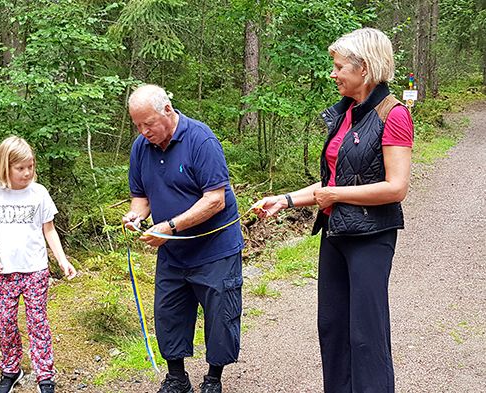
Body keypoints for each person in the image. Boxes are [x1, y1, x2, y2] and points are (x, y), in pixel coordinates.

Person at [254, 28, 413, 392]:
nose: (333, 73)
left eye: (340, 66)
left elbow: (396, 187)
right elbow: (330, 184)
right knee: (332, 327)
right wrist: (286, 199)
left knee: (366, 334)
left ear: (365, 68)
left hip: (371, 237)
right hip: (335, 233)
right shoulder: (345, 114)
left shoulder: (394, 114)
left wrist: (336, 195)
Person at [122, 84, 244, 393]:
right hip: (174, 253)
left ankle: (213, 379)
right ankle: (177, 378)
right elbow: (141, 198)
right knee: (169, 314)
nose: (143, 131)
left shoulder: (201, 140)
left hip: (215, 249)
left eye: (147, 123)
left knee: (220, 316)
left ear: (167, 110)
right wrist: (136, 217)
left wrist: (170, 227)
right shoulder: (141, 147)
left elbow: (215, 199)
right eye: (137, 124)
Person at [0, 136, 77, 393]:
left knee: (38, 322)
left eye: (30, 166)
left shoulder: (39, 193)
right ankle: (11, 369)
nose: (27, 172)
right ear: (5, 167)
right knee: (6, 321)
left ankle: (45, 374)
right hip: (5, 272)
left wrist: (62, 260)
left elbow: (50, 230)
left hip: (35, 269)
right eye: (20, 168)